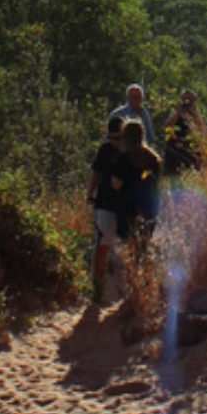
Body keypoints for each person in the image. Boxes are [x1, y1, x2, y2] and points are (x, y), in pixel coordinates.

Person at [86, 115, 125, 300]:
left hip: (124, 206)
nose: (114, 142)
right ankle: (97, 286)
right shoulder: (105, 150)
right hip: (104, 203)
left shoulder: (131, 152)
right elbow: (95, 172)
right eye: (112, 138)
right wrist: (89, 192)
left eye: (118, 138)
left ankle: (121, 291)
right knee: (102, 244)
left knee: (123, 248)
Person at [118, 118, 162, 239]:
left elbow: (118, 183)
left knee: (129, 239)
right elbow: (157, 180)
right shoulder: (152, 158)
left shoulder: (123, 158)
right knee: (145, 238)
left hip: (127, 205)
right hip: (148, 203)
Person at [162, 89, 207, 175]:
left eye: (190, 100)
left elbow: (203, 130)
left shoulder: (196, 115)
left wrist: (194, 113)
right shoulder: (175, 114)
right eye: (184, 99)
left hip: (191, 152)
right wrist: (178, 111)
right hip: (175, 151)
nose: (187, 102)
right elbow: (167, 127)